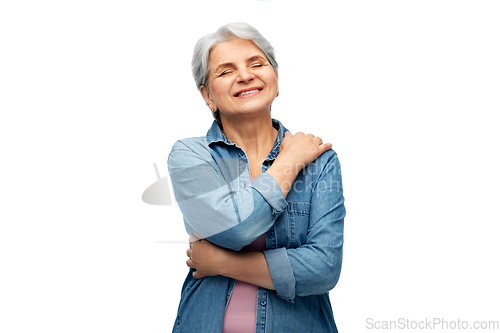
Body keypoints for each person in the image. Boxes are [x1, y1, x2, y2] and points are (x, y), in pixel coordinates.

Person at [167, 22, 346, 333]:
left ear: (275, 77)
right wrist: (288, 161)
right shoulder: (191, 156)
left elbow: (323, 269)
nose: (245, 75)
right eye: (225, 71)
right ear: (207, 94)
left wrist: (222, 264)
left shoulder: (320, 161)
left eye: (256, 64)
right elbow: (236, 228)